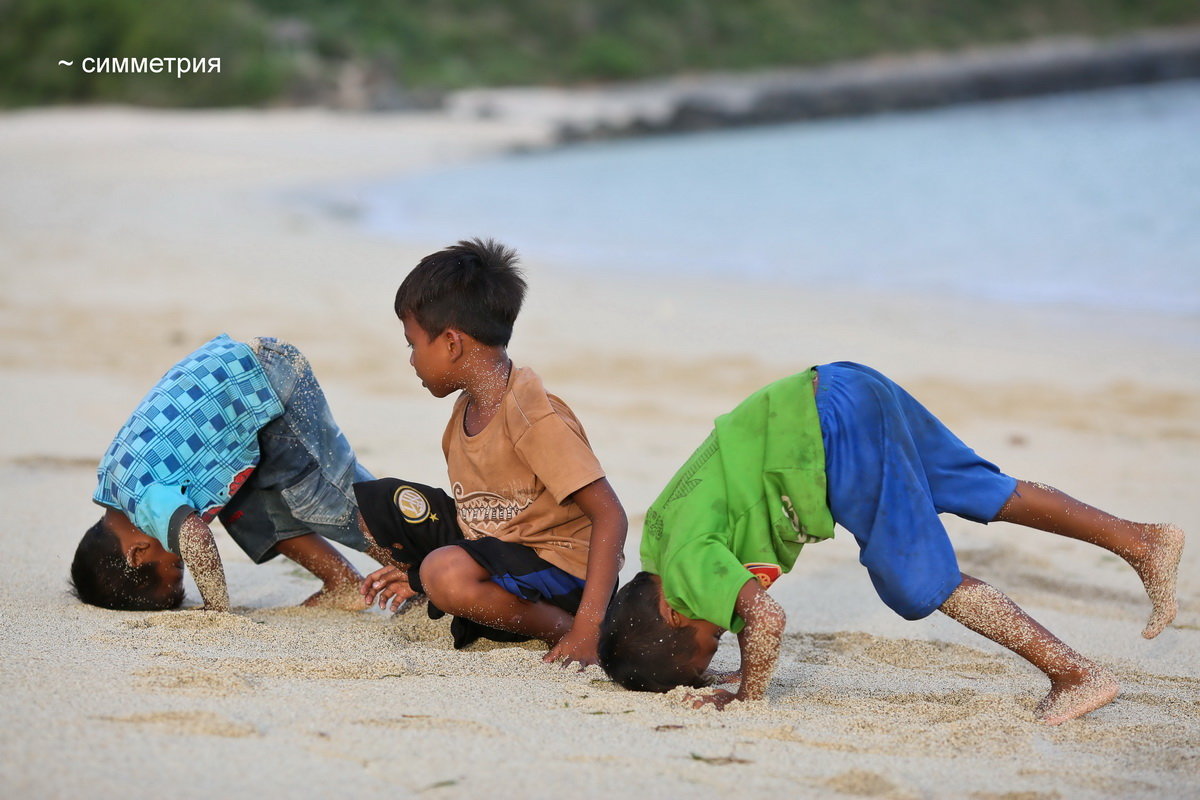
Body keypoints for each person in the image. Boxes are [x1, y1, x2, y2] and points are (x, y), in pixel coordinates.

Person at [597, 362, 1185, 725]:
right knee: (974, 487)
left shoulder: (685, 567)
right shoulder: (665, 534)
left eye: (710, 638)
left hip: (827, 433)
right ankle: (1140, 540)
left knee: (913, 579)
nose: (724, 630)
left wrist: (747, 696)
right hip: (838, 385)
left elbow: (766, 620)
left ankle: (1073, 673)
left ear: (672, 611)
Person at [359, 238, 627, 667]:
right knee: (378, 504)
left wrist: (587, 627)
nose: (411, 360)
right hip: (499, 542)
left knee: (443, 573)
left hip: (559, 567)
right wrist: (417, 574)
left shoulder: (533, 417)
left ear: (451, 343)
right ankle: (468, 596)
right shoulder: (466, 407)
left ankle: (561, 626)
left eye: (412, 344)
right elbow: (480, 513)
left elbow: (610, 515)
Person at [72, 334, 390, 612]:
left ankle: (414, 571)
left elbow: (196, 538)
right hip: (245, 393)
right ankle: (343, 582)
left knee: (322, 498)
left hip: (265, 385)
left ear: (138, 554)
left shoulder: (143, 502)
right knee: (246, 515)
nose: (183, 557)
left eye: (178, 562)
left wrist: (216, 607)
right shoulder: (114, 482)